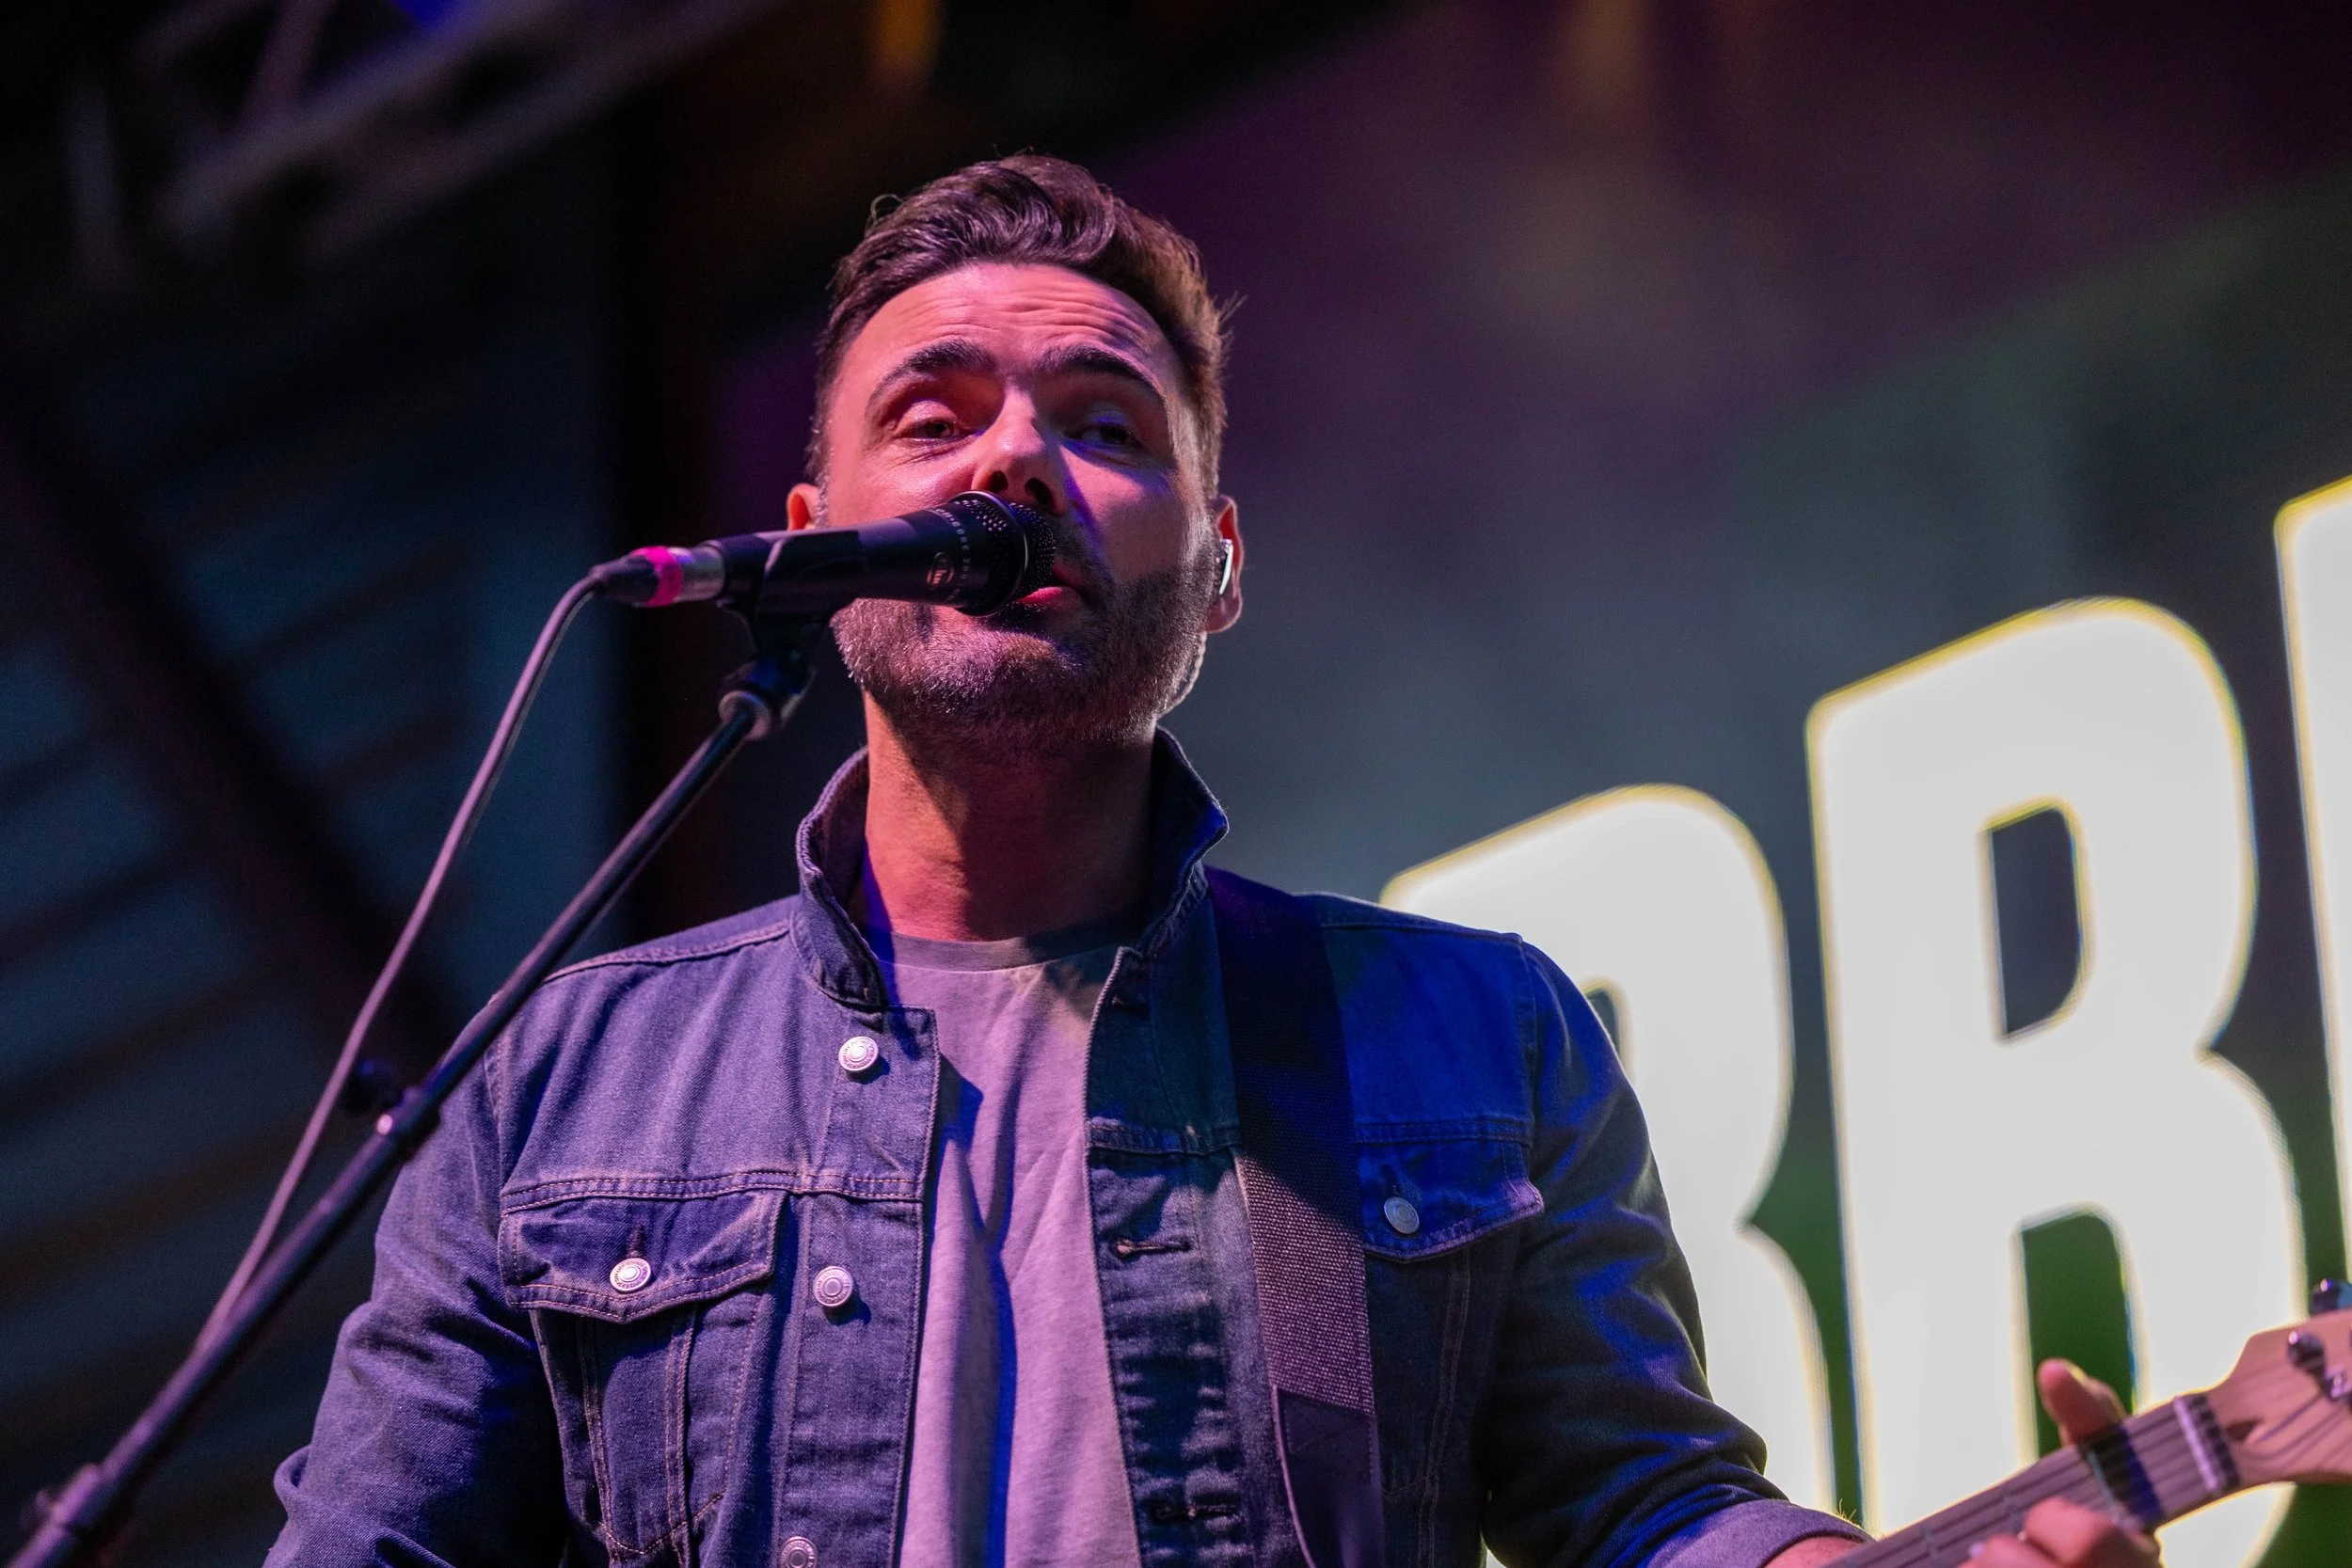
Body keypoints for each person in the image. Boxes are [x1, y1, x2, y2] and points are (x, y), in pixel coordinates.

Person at [265, 154, 2159, 1568]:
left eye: (1104, 425)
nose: (1014, 465)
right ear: (815, 532)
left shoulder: (1470, 1037)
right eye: (934, 416)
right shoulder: (552, 1088)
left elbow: (1641, 1504)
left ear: (1218, 567)